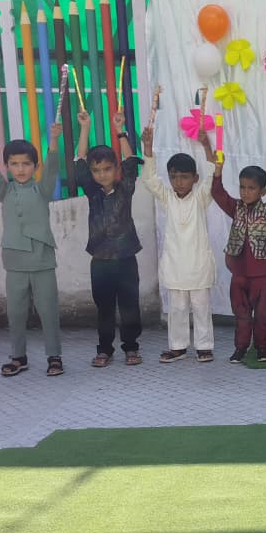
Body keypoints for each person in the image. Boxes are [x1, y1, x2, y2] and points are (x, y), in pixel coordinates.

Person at [0, 120, 64, 377]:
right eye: (14, 164)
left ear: (35, 166)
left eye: (26, 164)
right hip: (14, 261)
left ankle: (54, 356)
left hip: (42, 260)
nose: (20, 169)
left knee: (48, 310)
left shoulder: (42, 189)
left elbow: (52, 167)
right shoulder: (4, 190)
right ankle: (18, 357)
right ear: (7, 166)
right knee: (16, 313)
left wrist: (54, 140)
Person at [139, 125, 215, 364]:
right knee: (177, 309)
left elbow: (212, 175)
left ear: (195, 178)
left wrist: (206, 145)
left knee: (201, 308)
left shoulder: (201, 197)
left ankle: (204, 347)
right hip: (175, 265)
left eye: (184, 177)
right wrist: (148, 147)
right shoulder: (167, 198)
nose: (179, 182)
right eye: (174, 177)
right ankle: (178, 347)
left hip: (198, 265)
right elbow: (150, 179)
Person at [75, 109, 144, 367]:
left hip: (126, 258)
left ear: (115, 169)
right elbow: (80, 160)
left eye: (107, 169)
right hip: (101, 261)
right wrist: (85, 128)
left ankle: (131, 347)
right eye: (97, 170)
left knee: (130, 306)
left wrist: (120, 131)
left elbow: (130, 161)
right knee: (104, 307)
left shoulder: (125, 188)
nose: (102, 174)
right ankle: (104, 349)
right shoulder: (92, 191)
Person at [211, 145, 266, 364]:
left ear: (262, 191)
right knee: (242, 315)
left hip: (263, 276)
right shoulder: (235, 207)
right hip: (239, 275)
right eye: (242, 187)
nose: (245, 192)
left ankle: (263, 347)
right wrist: (218, 170)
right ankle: (240, 348)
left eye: (251, 188)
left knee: (264, 314)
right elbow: (217, 193)